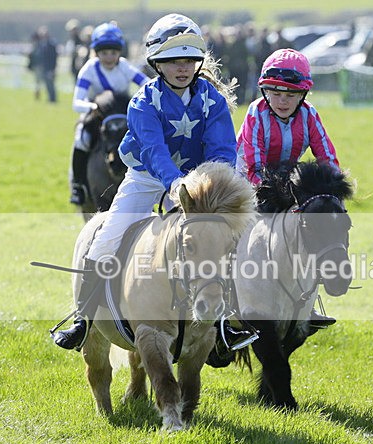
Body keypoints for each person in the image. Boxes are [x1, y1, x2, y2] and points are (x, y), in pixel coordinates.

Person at [53, 13, 254, 352]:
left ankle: (225, 325)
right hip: (146, 176)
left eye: (189, 59)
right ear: (157, 64)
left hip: (199, 183)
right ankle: (83, 319)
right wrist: (175, 185)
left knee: (234, 244)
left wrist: (212, 190)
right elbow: (155, 152)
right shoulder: (143, 101)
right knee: (107, 238)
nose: (183, 67)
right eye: (173, 60)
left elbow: (221, 153)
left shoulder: (214, 101)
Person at [235, 48, 341, 330]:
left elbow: (327, 159)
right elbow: (254, 166)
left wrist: (332, 192)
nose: (282, 100)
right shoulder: (255, 112)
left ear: (303, 95)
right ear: (265, 90)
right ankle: (225, 296)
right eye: (275, 93)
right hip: (246, 179)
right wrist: (278, 194)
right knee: (236, 230)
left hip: (286, 180)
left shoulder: (310, 114)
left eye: (290, 94)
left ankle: (309, 302)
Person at [67, 21, 148, 206]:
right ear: (96, 52)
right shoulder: (89, 69)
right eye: (104, 53)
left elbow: (146, 83)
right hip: (97, 116)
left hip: (122, 115)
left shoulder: (124, 66)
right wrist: (92, 107)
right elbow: (76, 102)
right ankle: (78, 186)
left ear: (120, 52)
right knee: (82, 139)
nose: (109, 57)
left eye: (113, 53)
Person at [34, 26, 58, 103]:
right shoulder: (40, 44)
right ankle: (49, 98)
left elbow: (54, 58)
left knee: (50, 84)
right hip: (43, 68)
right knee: (45, 84)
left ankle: (52, 99)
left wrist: (52, 69)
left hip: (49, 68)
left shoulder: (52, 45)